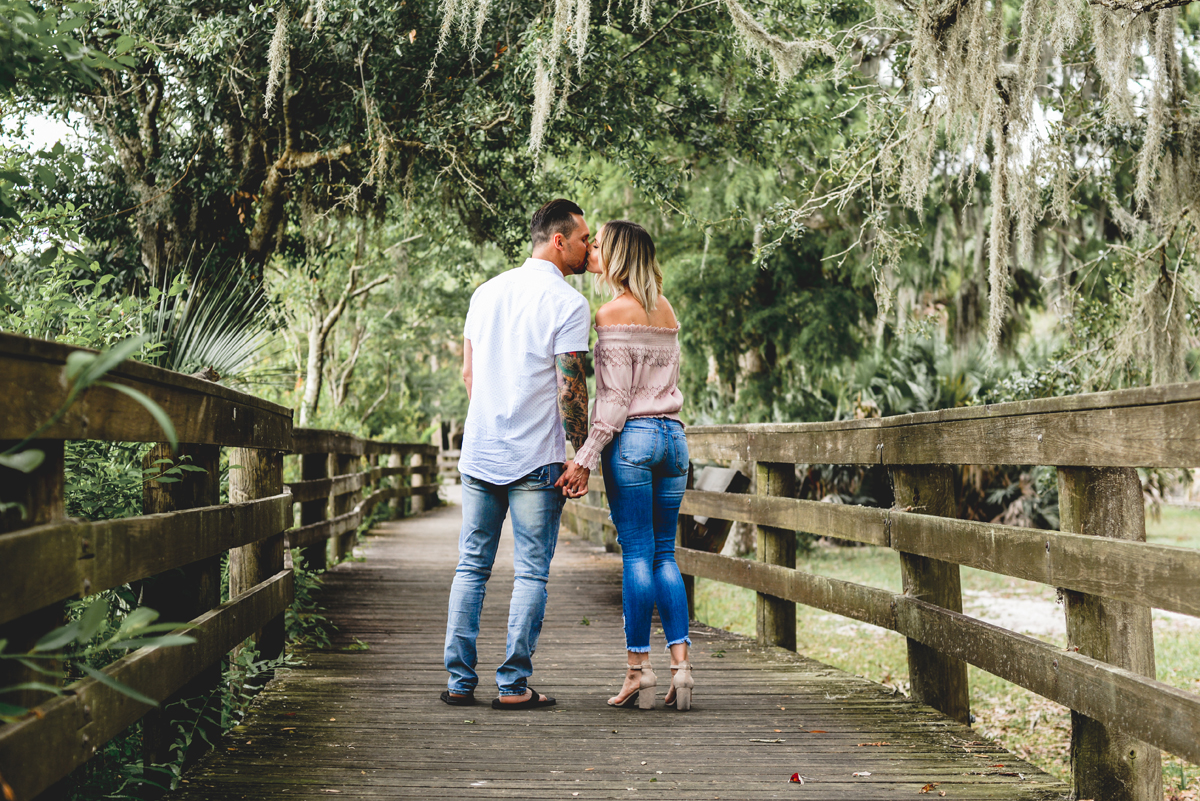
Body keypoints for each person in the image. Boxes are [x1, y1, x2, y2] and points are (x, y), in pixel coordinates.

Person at [441, 198, 593, 710]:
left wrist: (492, 420)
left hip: (480, 451)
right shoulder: (569, 304)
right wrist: (582, 453)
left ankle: (460, 682)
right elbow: (570, 388)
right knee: (530, 572)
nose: (589, 248)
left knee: (471, 567)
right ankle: (512, 686)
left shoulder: (485, 292)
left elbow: (468, 374)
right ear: (559, 240)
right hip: (537, 459)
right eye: (584, 240)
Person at [571, 220, 693, 711]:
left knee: (638, 554)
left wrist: (583, 457)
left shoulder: (611, 313)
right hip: (674, 439)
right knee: (666, 553)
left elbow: (615, 400)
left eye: (598, 243)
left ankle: (637, 670)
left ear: (618, 253)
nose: (592, 250)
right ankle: (682, 668)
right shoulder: (665, 310)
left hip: (636, 440)